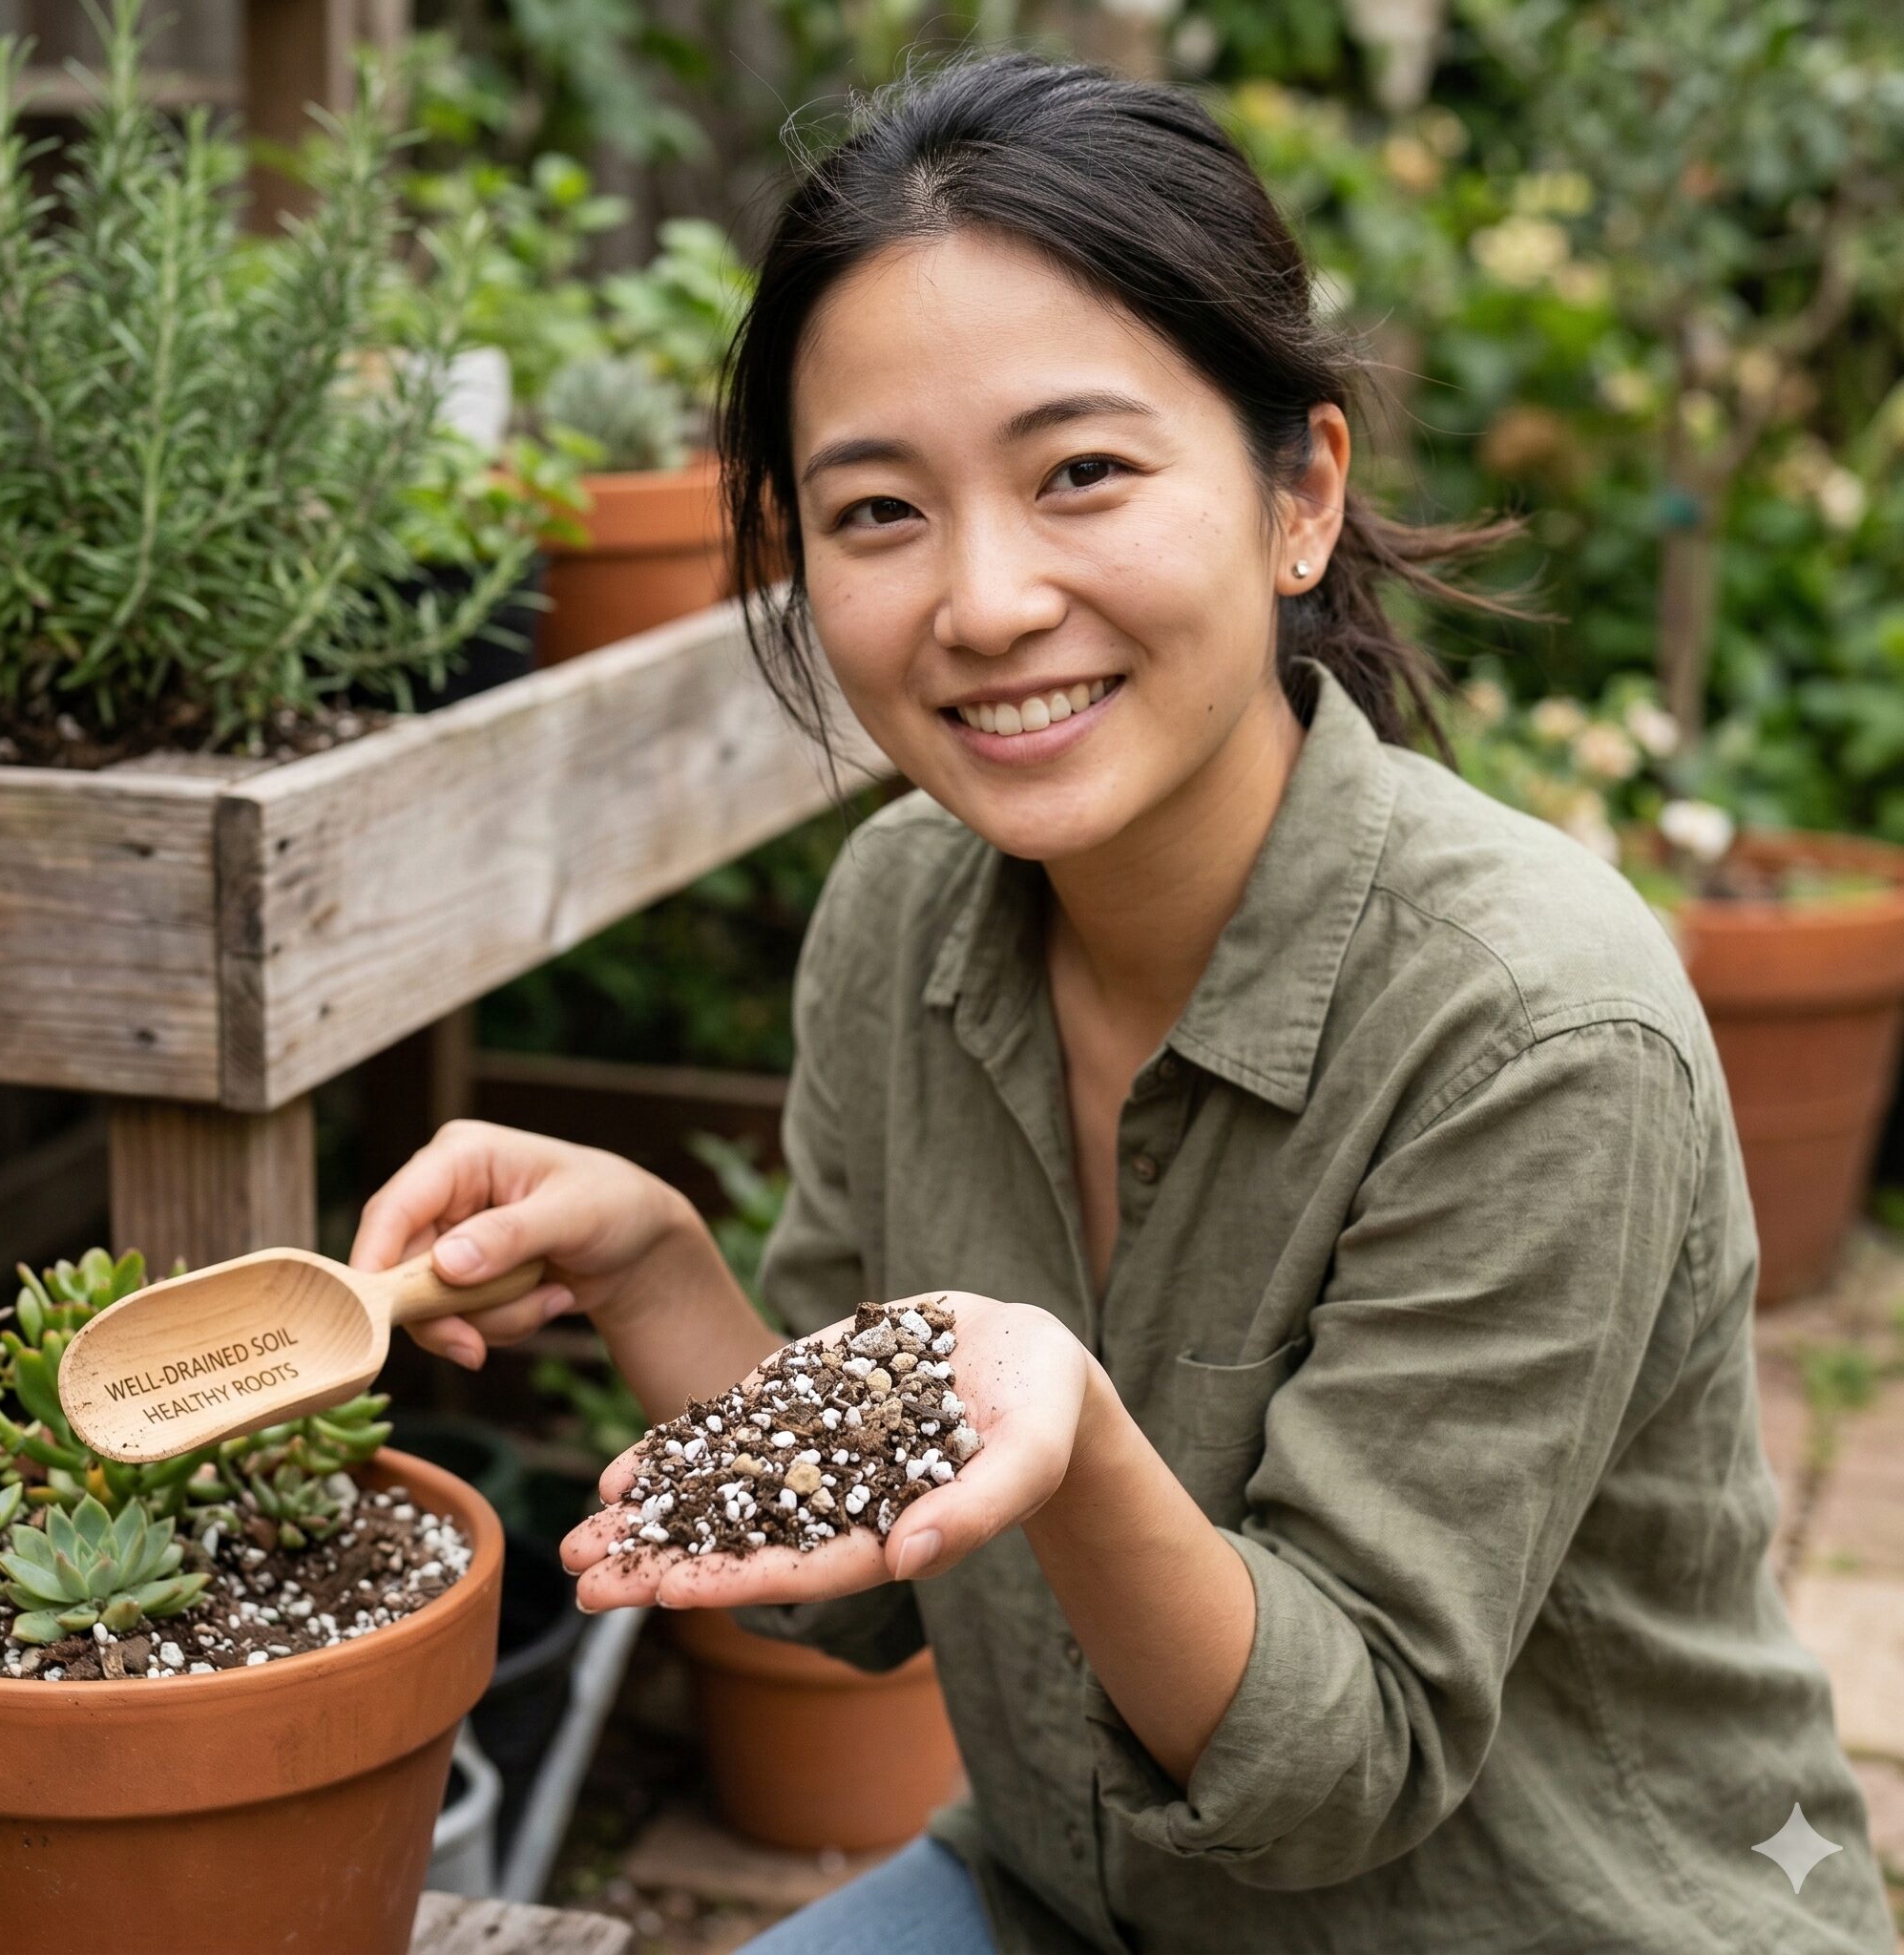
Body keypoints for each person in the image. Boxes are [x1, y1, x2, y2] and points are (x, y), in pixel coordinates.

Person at [352, 52, 1893, 1955]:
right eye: (876, 512)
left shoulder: (1535, 1028)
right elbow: (856, 1586)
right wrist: (655, 1268)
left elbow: (1343, 1765)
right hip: (1065, 1899)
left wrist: (1072, 1445)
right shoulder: (898, 915)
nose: (984, 601)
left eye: (1080, 472)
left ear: (1296, 495)